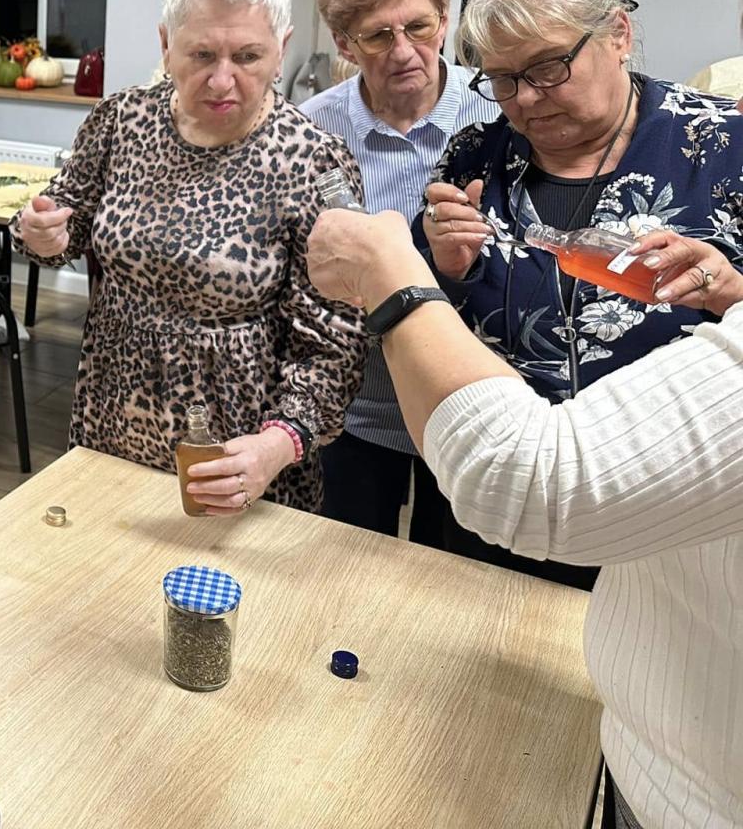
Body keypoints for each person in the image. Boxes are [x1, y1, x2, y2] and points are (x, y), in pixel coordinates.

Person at [308, 206, 743, 829]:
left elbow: (531, 483)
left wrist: (392, 278)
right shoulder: (487, 158)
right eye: (507, 96)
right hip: (660, 746)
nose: (528, 103)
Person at [11, 0, 368, 513]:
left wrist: (278, 445)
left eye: (248, 56)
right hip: (109, 419)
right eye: (201, 54)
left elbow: (336, 340)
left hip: (234, 454)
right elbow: (59, 228)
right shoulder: (122, 122)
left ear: (282, 46)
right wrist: (39, 231)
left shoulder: (314, 163)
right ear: (166, 43)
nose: (223, 80)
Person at [420, 0, 743, 587]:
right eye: (502, 80)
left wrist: (731, 293)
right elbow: (427, 313)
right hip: (498, 489)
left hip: (658, 508)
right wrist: (445, 268)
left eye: (547, 67)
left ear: (618, 34)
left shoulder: (723, 147)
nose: (527, 99)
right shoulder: (475, 155)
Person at [300, 0, 492, 544]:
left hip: (465, 403)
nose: (405, 51)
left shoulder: (496, 113)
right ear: (344, 44)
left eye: (420, 26)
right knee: (347, 567)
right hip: (355, 407)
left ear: (445, 18)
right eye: (380, 36)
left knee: (452, 582)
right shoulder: (315, 127)